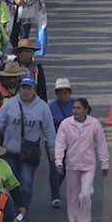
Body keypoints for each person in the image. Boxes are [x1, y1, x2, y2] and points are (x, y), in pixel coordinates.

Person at [0, 77, 55, 222]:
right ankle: (12, 214)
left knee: (26, 185)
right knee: (11, 185)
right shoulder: (10, 104)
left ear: (34, 90)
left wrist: (52, 147)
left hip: (30, 154)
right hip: (10, 152)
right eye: (23, 87)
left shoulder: (42, 107)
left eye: (29, 88)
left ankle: (23, 215)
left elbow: (49, 129)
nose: (26, 91)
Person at [53, 97, 110, 222]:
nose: (75, 111)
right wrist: (59, 161)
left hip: (88, 165)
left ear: (86, 110)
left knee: (85, 195)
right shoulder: (66, 124)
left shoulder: (94, 124)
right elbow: (60, 143)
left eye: (78, 108)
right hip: (72, 165)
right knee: (72, 196)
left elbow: (101, 143)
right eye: (74, 108)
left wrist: (105, 163)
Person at [46, 78, 74, 208]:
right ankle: (55, 196)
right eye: (60, 93)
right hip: (54, 141)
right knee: (54, 168)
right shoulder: (50, 107)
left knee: (65, 168)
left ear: (69, 93)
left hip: (71, 142)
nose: (63, 95)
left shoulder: (75, 105)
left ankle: (56, 185)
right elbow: (46, 125)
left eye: (65, 93)